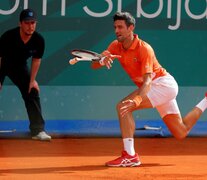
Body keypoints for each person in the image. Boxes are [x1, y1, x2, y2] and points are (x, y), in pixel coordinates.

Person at [91, 11, 207, 167]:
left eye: (120, 27)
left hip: (162, 85)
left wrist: (137, 99)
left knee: (123, 107)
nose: (116, 31)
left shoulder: (144, 49)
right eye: (115, 27)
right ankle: (206, 100)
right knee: (181, 132)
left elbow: (147, 82)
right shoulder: (115, 46)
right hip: (159, 88)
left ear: (131, 28)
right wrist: (102, 60)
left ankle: (130, 155)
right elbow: (94, 65)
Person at [0, 8, 51, 141]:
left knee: (32, 90)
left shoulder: (39, 40)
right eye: (27, 23)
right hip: (2, 64)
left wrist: (32, 80)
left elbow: (36, 60)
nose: (30, 26)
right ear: (20, 24)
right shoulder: (8, 36)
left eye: (33, 23)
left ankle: (38, 130)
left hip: (19, 67)